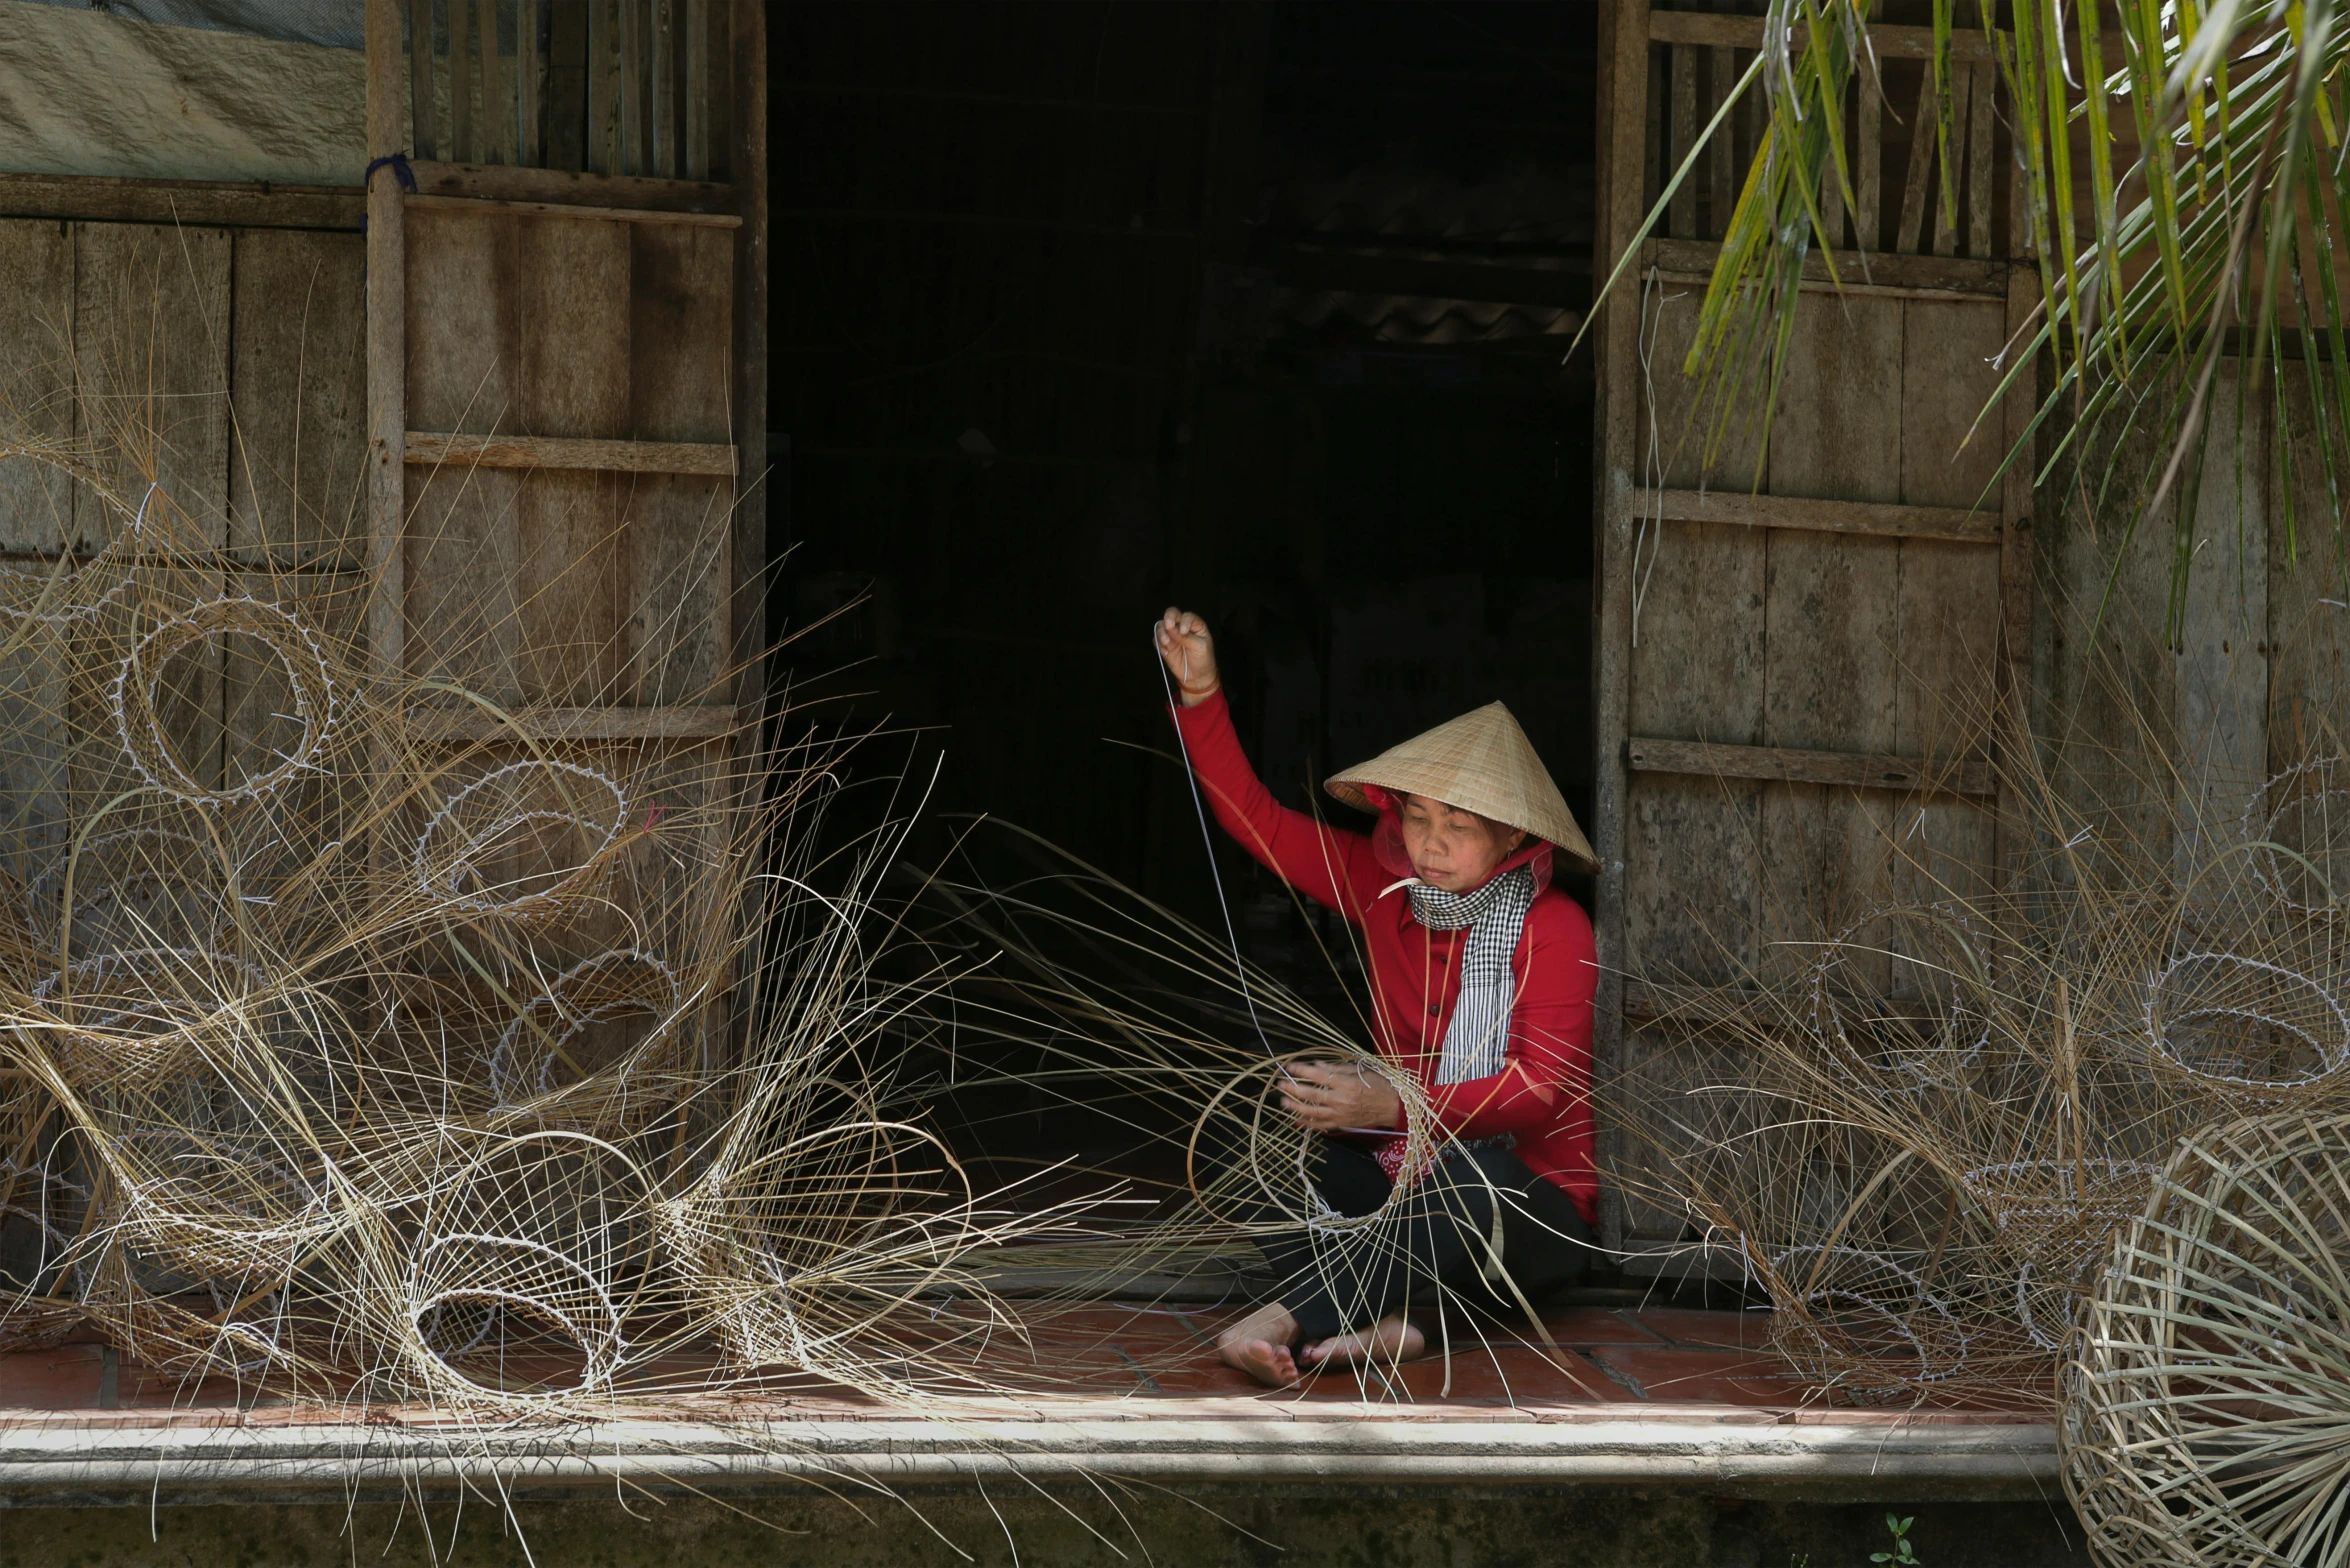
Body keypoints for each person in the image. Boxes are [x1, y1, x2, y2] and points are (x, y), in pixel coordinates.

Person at [1155, 608, 1601, 1387]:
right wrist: (1201, 694)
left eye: (1459, 827)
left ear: (1514, 842)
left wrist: (1392, 1104)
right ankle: (1410, 1325)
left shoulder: (1554, 926)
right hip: (1405, 1172)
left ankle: (1289, 1316)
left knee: (1467, 1185)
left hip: (1527, 1203)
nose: (1430, 843)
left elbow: (1539, 1091)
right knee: (1253, 1143)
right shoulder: (1378, 880)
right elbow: (1256, 821)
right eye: (1418, 817)